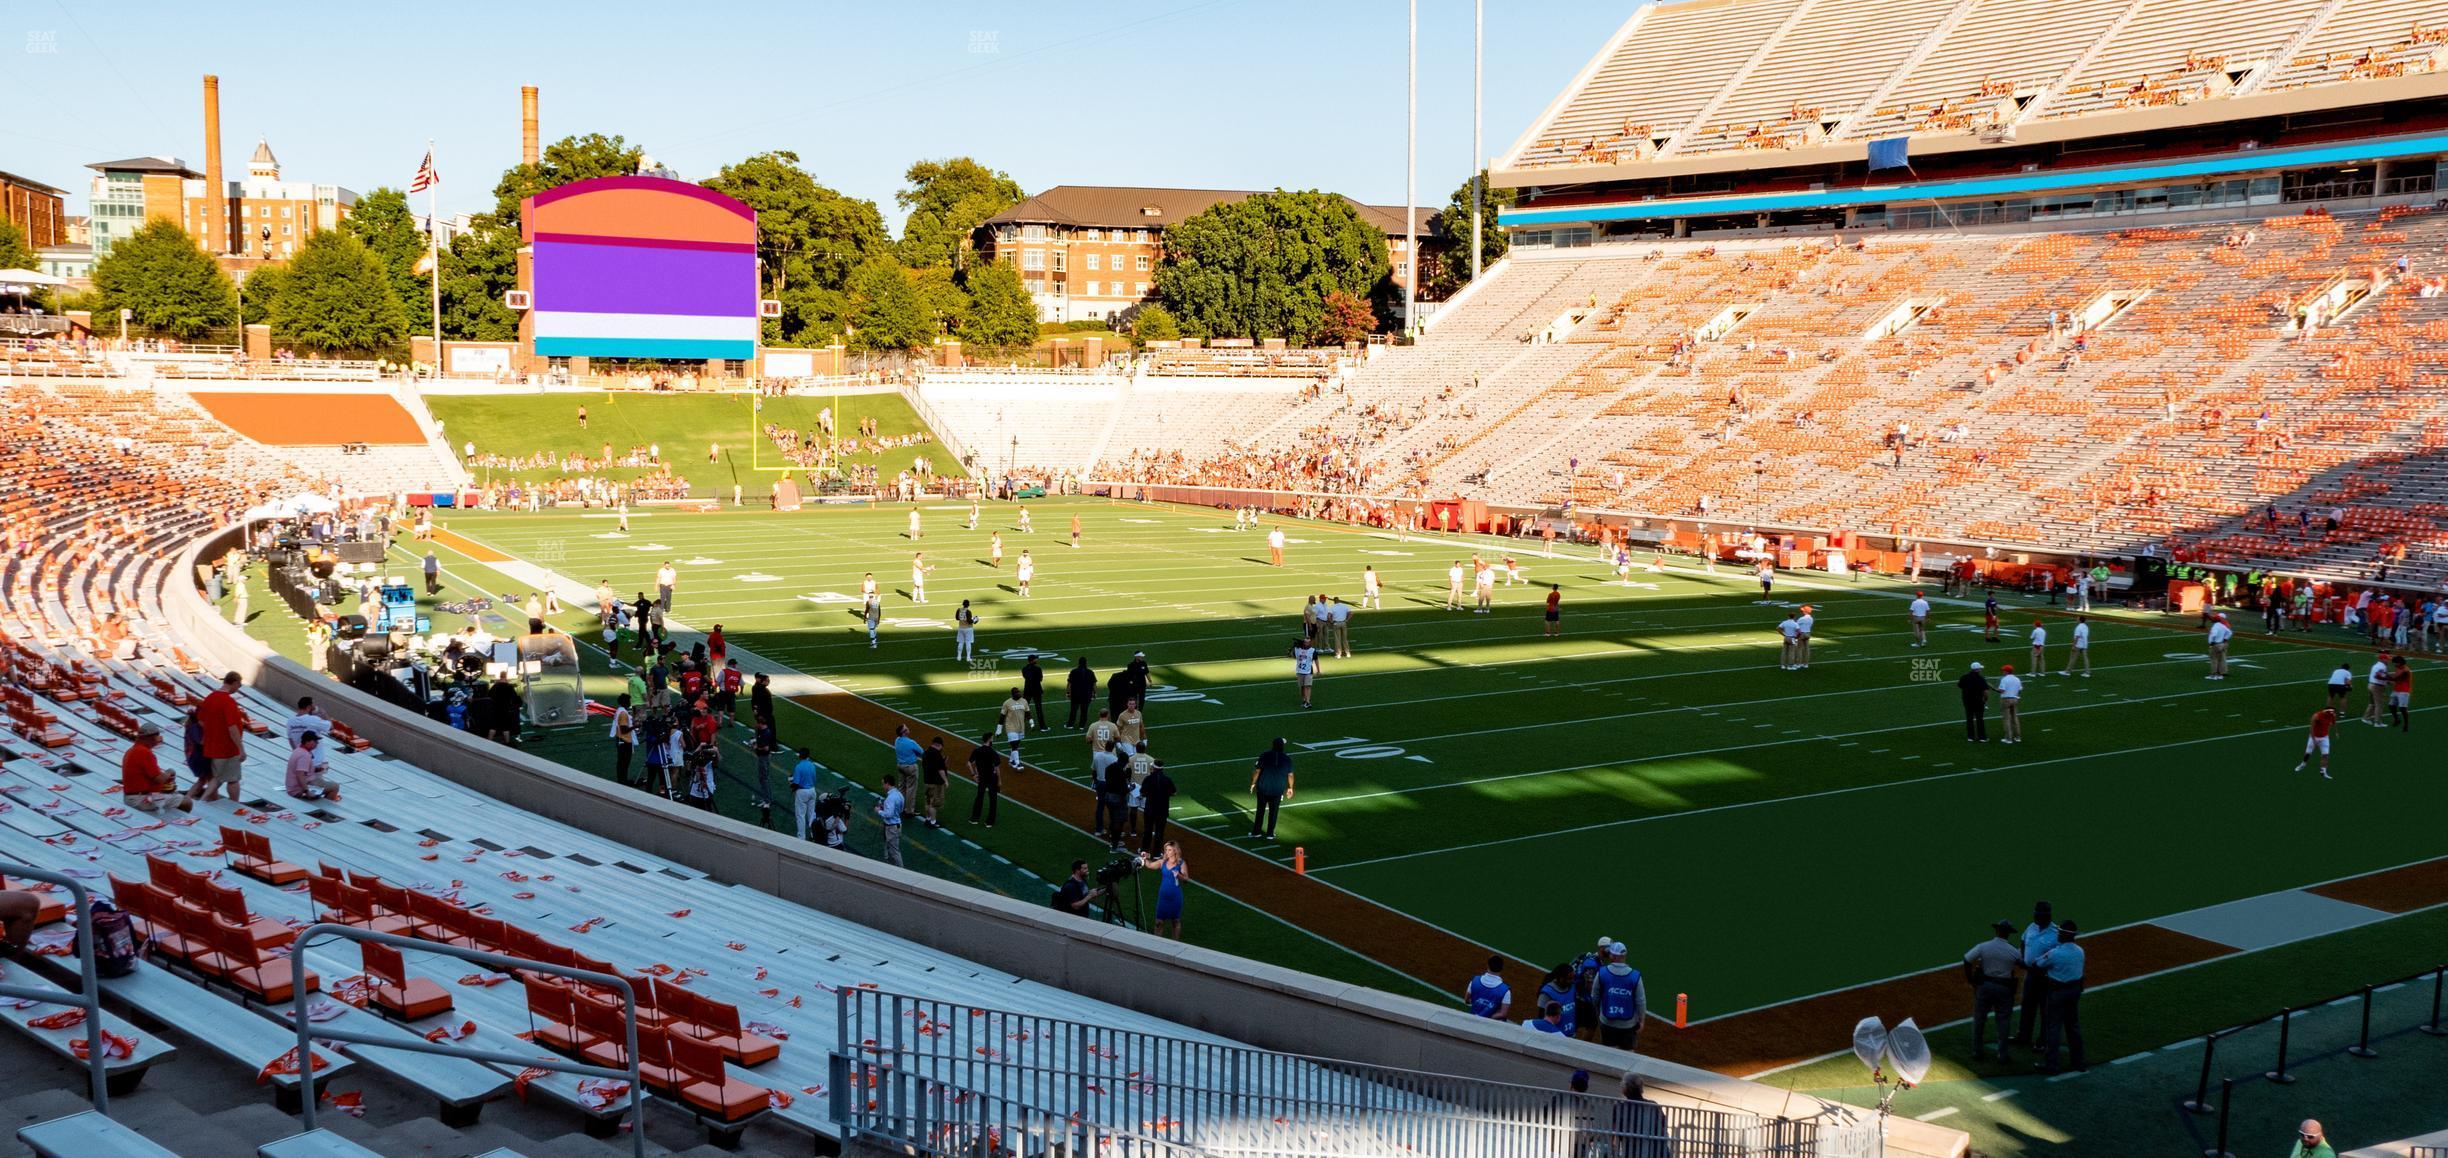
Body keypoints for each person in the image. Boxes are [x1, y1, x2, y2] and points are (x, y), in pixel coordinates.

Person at [185, 671, 248, 807]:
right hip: (227, 748)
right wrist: (241, 748)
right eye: (239, 685)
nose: (238, 688)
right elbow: (232, 728)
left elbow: (202, 721)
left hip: (212, 747)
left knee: (216, 778)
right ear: (235, 682)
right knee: (233, 779)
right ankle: (234, 806)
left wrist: (213, 733)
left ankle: (203, 801)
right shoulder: (228, 701)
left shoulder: (210, 698)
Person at [1964, 919, 2020, 1062]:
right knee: (2003, 1021)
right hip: (2004, 988)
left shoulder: (1983, 946)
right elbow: (2023, 963)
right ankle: (2002, 1055)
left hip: (1985, 986)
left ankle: (1977, 1051)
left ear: (1996, 930)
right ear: (2008, 934)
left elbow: (1967, 959)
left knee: (1979, 1019)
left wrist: (1971, 980)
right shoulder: (2013, 951)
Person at [2035, 921, 2086, 1073]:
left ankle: (2052, 1064)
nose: (2057, 934)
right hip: (2074, 991)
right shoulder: (2080, 951)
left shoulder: (2055, 953)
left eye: (2059, 932)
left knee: (2054, 1028)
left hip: (2057, 992)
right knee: (2073, 1027)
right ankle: (2078, 1062)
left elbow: (2038, 964)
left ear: (2064, 934)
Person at [121, 722, 191, 813]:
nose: (159, 738)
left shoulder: (133, 750)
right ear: (149, 737)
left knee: (172, 797)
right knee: (187, 802)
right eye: (157, 735)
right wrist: (169, 772)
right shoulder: (144, 752)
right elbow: (159, 779)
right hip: (140, 799)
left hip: (133, 797)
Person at [2014, 901, 2057, 1048]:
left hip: (2045, 977)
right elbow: (2023, 940)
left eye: (2038, 915)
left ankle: (2043, 1041)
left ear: (2047, 916)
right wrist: (2022, 956)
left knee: (2045, 1010)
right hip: (2030, 975)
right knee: (2027, 1005)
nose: (2036, 917)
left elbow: (2056, 957)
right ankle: (2023, 1037)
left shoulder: (2055, 933)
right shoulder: (2031, 927)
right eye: (2035, 914)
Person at [1590, 941, 1647, 1050]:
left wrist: (1599, 1014)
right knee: (1628, 1055)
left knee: (1608, 1054)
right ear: (1624, 956)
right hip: (1628, 1024)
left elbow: (1595, 997)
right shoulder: (1635, 976)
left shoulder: (1602, 972)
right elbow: (1640, 1001)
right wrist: (1642, 1020)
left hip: (1607, 1022)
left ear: (1612, 956)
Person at [1140, 840, 1190, 939]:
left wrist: (1179, 875)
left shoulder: (1181, 863)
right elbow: (1150, 865)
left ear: (1175, 851)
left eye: (1170, 850)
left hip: (1175, 897)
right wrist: (1145, 858)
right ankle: (1157, 944)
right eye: (1166, 850)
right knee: (1159, 922)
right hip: (1163, 897)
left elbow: (1186, 879)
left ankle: (1175, 944)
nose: (1167, 852)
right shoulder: (1163, 862)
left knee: (1175, 921)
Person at [1249, 738, 1294, 839]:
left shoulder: (1264, 755)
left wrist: (1253, 783)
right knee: (1273, 812)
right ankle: (1270, 834)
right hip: (1277, 790)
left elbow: (1257, 771)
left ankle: (1256, 832)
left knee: (1260, 810)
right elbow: (1290, 775)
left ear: (1272, 745)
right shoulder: (1287, 758)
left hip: (1263, 787)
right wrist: (1290, 788)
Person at [285, 731, 342, 802]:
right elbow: (300, 774)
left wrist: (316, 769)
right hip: (298, 789)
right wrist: (307, 791)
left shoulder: (298, 750)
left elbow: (303, 770)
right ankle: (324, 806)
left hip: (294, 786)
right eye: (315, 741)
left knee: (322, 781)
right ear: (308, 741)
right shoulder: (304, 755)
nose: (317, 743)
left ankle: (321, 800)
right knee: (335, 786)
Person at [1139, 759, 1177, 854]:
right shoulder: (1167, 780)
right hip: (1162, 809)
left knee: (1148, 830)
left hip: (1150, 809)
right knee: (1159, 831)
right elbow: (1174, 792)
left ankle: (1144, 850)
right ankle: (1156, 853)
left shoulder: (1148, 779)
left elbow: (1142, 793)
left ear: (1154, 768)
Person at [968, 731, 1004, 826]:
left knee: (979, 797)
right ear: (990, 739)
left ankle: (975, 818)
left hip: (982, 777)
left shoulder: (977, 750)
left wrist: (973, 775)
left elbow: (969, 763)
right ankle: (990, 821)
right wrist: (999, 780)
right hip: (992, 777)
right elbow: (997, 767)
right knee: (993, 799)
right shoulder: (993, 752)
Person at [2293, 705, 2337, 779]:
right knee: (2308, 753)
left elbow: (2334, 723)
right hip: (2314, 737)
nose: (2331, 715)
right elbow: (2311, 728)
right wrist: (2314, 741)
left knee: (2325, 755)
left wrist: (2336, 732)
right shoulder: (2316, 716)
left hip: (2324, 738)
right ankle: (2303, 764)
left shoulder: (2332, 715)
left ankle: (2323, 772)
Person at [790, 748, 822, 840]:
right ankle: (813, 833)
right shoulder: (812, 765)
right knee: (811, 814)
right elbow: (814, 779)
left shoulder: (798, 767)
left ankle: (801, 837)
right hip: (812, 790)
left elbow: (796, 783)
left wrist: (791, 786)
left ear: (800, 755)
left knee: (800, 815)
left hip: (802, 792)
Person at [917, 736, 949, 829]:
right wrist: (946, 781)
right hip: (935, 783)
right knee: (933, 804)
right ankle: (933, 822)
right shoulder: (937, 755)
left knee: (927, 801)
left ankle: (927, 819)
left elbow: (930, 765)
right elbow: (940, 770)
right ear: (939, 745)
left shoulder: (926, 752)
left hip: (927, 781)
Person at [875, 774, 906, 867]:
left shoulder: (890, 798)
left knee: (894, 851)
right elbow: (900, 809)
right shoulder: (899, 795)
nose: (883, 786)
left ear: (887, 784)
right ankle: (891, 867)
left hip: (891, 827)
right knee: (890, 848)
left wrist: (879, 811)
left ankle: (901, 871)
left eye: (883, 784)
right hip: (896, 825)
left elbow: (889, 814)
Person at [1958, 662, 1991, 742]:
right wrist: (1985, 700)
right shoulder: (1981, 678)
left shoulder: (1964, 677)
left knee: (1969, 719)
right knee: (1980, 719)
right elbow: (1986, 692)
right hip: (1978, 702)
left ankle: (1970, 737)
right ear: (1978, 669)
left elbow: (1959, 685)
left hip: (1967, 701)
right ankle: (1982, 737)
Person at [1000, 687, 1030, 768]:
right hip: (1010, 727)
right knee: (1014, 745)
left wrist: (1031, 721)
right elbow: (1002, 716)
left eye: (1019, 692)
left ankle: (1011, 760)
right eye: (1017, 692)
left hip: (1020, 727)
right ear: (1012, 694)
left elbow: (1027, 712)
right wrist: (999, 729)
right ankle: (1017, 763)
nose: (1019, 693)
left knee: (1016, 744)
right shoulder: (1007, 703)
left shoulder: (1024, 701)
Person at [610, 693, 636, 786]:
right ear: (625, 702)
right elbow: (624, 729)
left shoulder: (619, 711)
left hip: (620, 739)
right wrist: (635, 726)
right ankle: (623, 781)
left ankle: (621, 780)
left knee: (621, 762)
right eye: (629, 701)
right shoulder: (623, 713)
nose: (630, 703)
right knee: (624, 762)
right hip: (625, 740)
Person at [1066, 656, 1098, 728]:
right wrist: (1095, 693)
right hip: (1086, 694)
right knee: (1084, 710)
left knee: (1073, 710)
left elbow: (1069, 683)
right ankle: (1082, 725)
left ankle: (1070, 724)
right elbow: (1094, 684)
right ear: (1086, 663)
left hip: (1075, 694)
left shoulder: (1073, 671)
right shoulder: (1090, 672)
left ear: (1079, 663)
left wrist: (1068, 692)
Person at [1996, 665, 2024, 744]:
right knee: (2015, 718)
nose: (2002, 672)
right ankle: (2018, 737)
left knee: (2007, 719)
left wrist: (1993, 689)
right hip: (2015, 699)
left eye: (2003, 671)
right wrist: (2017, 696)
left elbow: (2001, 690)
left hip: (2006, 700)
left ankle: (2009, 738)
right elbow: (2020, 689)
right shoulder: (2017, 679)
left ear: (2007, 671)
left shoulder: (2004, 679)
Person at [890, 724, 921, 790]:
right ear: (904, 732)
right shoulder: (911, 742)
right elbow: (921, 752)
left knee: (901, 787)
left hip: (900, 766)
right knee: (911, 788)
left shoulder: (897, 740)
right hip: (910, 767)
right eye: (906, 728)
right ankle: (909, 801)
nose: (908, 729)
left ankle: (901, 800)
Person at [1290, 637, 1319, 709]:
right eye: (1305, 642)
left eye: (1308, 642)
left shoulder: (1312, 650)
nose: (1307, 643)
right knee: (1302, 687)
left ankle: (1308, 702)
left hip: (1308, 671)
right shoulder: (1297, 650)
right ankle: (1304, 700)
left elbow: (1316, 660)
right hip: (1299, 671)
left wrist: (1318, 670)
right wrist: (1293, 647)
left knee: (1307, 686)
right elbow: (1291, 655)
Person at [1020, 654, 1047, 728]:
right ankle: (1043, 726)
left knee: (1024, 708)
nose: (1037, 660)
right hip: (1036, 690)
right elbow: (1040, 679)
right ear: (1032, 660)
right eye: (1035, 659)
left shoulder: (1024, 668)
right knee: (1039, 709)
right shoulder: (1038, 669)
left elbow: (1025, 677)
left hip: (1027, 690)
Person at [2388, 655, 2413, 731]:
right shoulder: (2398, 668)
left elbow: (2396, 678)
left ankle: (2406, 725)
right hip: (2396, 690)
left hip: (2404, 691)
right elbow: (2396, 679)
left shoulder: (2406, 671)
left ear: (2400, 662)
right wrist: (2391, 681)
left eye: (2396, 663)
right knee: (2391, 705)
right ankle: (2397, 719)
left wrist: (2384, 676)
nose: (2395, 664)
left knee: (2402, 708)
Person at [2206, 613, 2233, 680]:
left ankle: (2214, 674)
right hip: (2222, 643)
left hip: (2216, 644)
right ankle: (2220, 674)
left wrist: (2211, 642)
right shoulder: (2223, 625)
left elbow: (2214, 635)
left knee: (2214, 660)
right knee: (2221, 658)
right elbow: (2229, 632)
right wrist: (2225, 639)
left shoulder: (2216, 626)